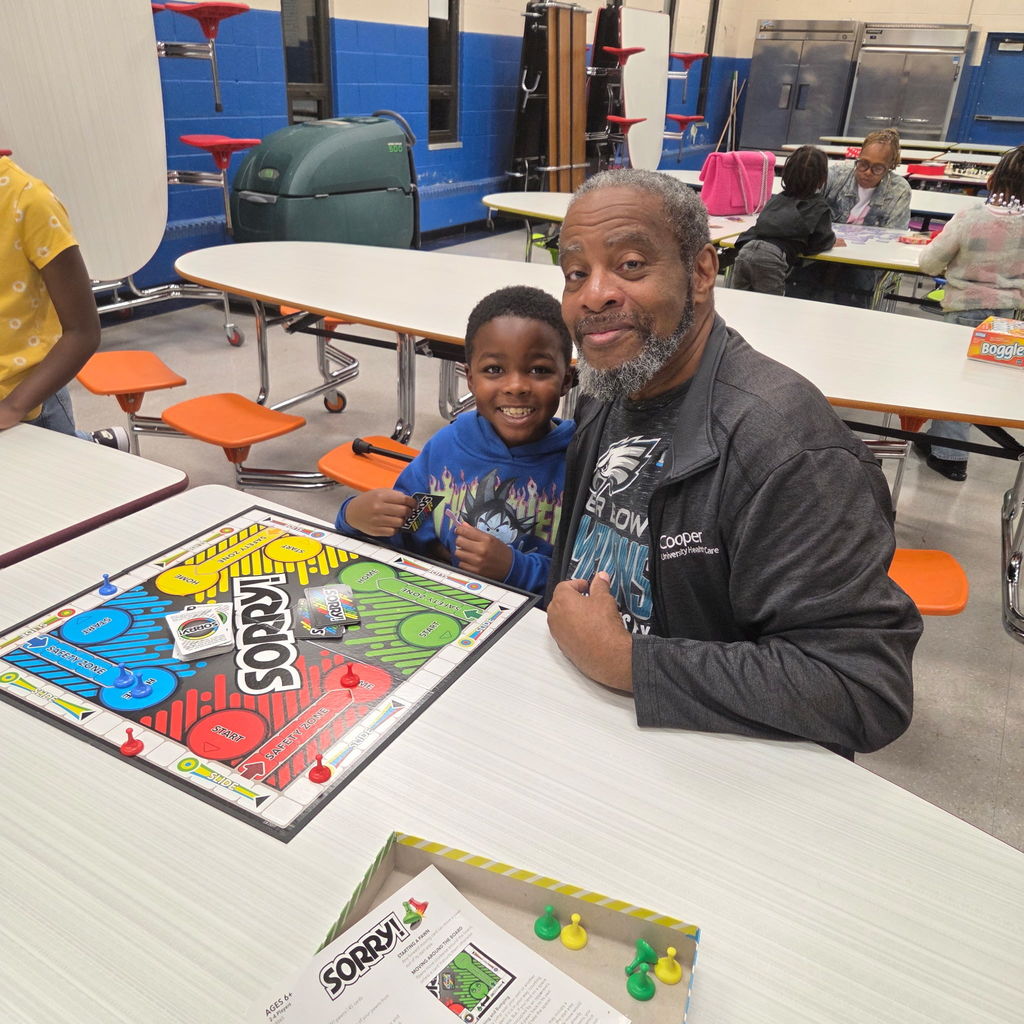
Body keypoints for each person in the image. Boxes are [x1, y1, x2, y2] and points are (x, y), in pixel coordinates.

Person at [546, 168, 921, 755]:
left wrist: (630, 663)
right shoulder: (611, 382)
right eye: (576, 273)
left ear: (700, 273)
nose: (595, 294)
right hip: (596, 729)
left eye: (631, 265)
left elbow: (862, 688)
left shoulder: (790, 450)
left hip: (714, 772)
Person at [336, 285, 575, 594]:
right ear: (471, 379)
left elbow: (592, 581)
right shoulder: (445, 448)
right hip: (446, 606)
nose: (516, 386)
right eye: (494, 369)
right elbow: (405, 532)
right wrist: (353, 515)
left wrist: (515, 569)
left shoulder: (582, 465)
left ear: (566, 380)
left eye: (538, 370)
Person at [915, 145, 1024, 482]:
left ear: (993, 180)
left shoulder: (970, 217)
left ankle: (950, 456)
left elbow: (929, 262)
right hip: (1008, 316)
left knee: (953, 382)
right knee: (981, 382)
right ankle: (939, 441)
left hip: (964, 311)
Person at [0, 151, 125, 446]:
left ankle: (94, 448)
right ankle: (97, 443)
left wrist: (13, 406)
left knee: (55, 483)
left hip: (31, 402)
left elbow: (83, 332)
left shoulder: (28, 201)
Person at [787, 129, 911, 307]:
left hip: (863, 263)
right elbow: (806, 209)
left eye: (877, 168)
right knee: (800, 279)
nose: (867, 172)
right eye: (863, 164)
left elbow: (894, 239)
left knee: (850, 285)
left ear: (890, 167)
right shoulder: (836, 175)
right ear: (858, 157)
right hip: (822, 252)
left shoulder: (899, 191)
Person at [730, 145, 835, 295]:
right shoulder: (819, 206)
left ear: (787, 172)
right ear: (822, 179)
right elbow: (817, 244)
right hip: (772, 258)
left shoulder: (776, 199)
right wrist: (831, 240)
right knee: (770, 308)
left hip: (746, 250)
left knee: (739, 301)